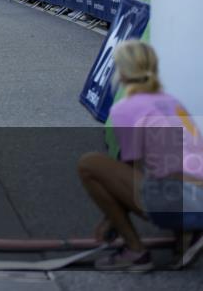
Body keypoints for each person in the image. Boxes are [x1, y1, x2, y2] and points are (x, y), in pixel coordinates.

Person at [77, 41, 203, 271]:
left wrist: (110, 221)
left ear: (122, 72)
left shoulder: (126, 108)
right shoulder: (171, 102)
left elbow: (129, 170)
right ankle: (186, 235)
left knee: (90, 164)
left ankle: (135, 251)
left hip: (182, 198)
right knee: (167, 173)